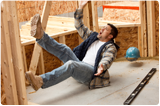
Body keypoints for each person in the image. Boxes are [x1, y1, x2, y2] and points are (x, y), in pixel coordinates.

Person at [25, 0, 119, 91]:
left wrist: (102, 65)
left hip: (91, 73)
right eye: (103, 27)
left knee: (71, 64)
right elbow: (79, 25)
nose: (102, 29)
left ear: (110, 36)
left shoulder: (110, 46)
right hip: (80, 66)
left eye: (105, 29)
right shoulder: (93, 37)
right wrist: (80, 7)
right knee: (65, 49)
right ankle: (41, 36)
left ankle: (41, 81)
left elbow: (108, 57)